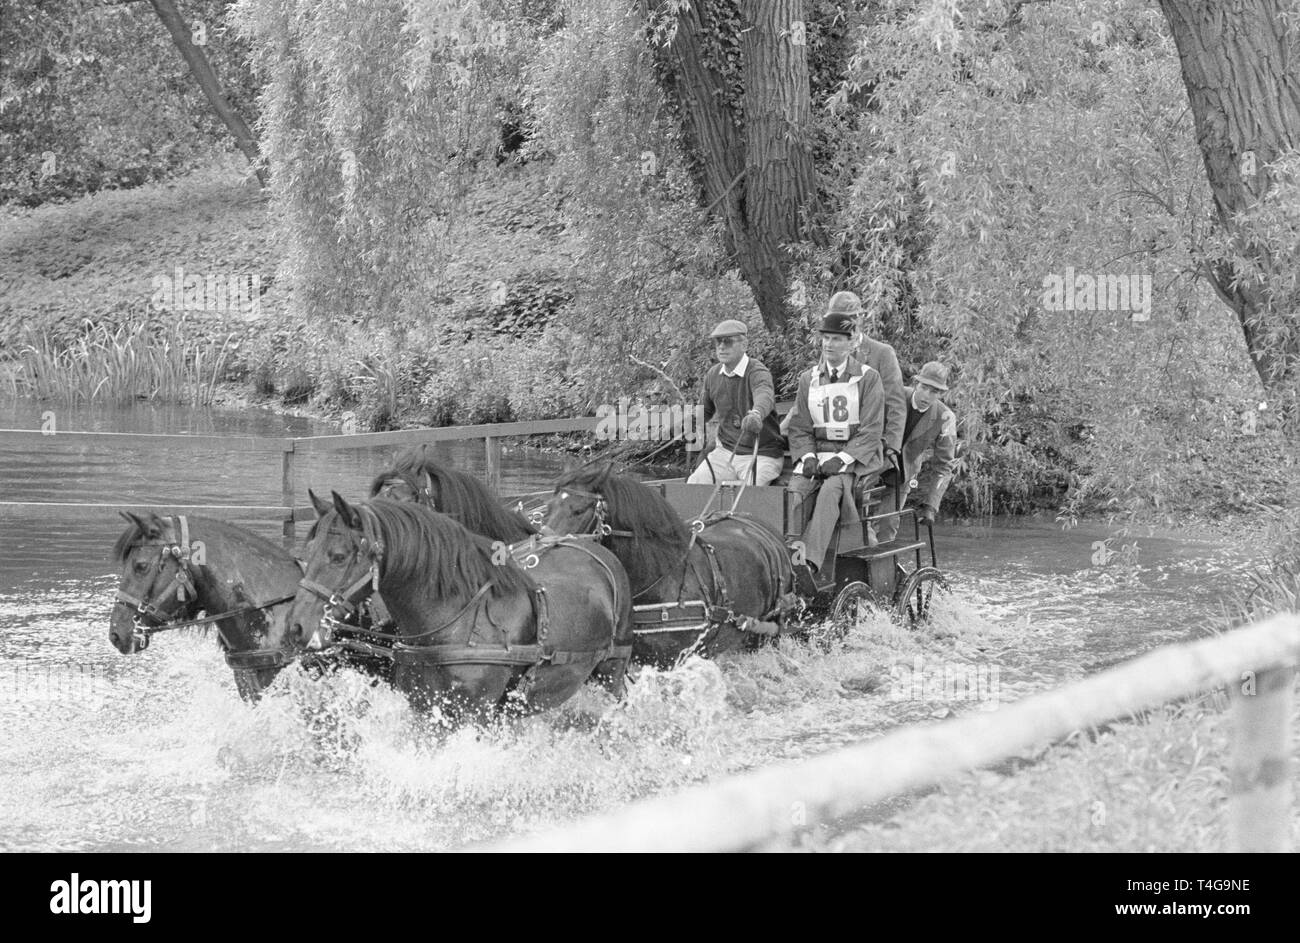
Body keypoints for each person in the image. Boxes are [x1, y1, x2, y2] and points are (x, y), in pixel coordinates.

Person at [785, 309, 887, 595]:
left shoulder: (868, 378)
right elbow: (799, 427)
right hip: (818, 455)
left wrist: (842, 459)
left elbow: (871, 430)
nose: (829, 345)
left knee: (831, 489)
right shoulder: (809, 379)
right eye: (826, 339)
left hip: (855, 460)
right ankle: (788, 554)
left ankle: (810, 562)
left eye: (837, 339)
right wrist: (806, 457)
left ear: (852, 343)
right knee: (795, 489)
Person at [686, 319, 786, 486]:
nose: (721, 346)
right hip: (725, 453)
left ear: (744, 344)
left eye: (728, 341)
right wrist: (689, 420)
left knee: (749, 492)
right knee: (694, 485)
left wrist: (756, 414)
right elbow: (705, 411)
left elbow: (764, 394)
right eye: (718, 341)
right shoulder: (713, 374)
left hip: (760, 455)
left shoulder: (757, 371)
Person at [873, 361, 959, 543]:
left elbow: (944, 466)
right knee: (850, 516)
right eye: (924, 387)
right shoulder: (892, 396)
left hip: (902, 473)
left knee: (887, 525)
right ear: (915, 384)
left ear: (941, 394)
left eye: (934, 391)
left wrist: (931, 505)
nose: (926, 395)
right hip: (872, 463)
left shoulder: (945, 418)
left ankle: (882, 566)